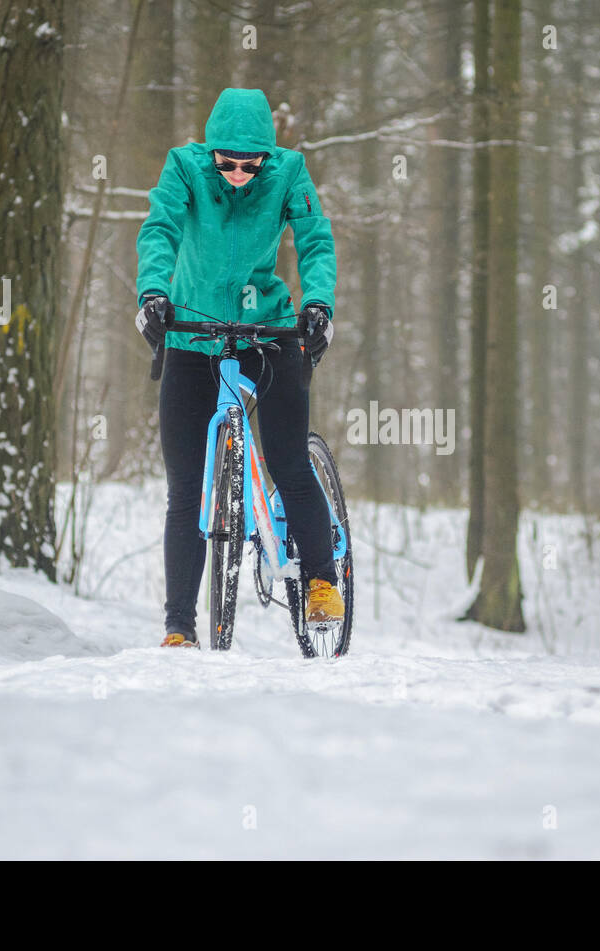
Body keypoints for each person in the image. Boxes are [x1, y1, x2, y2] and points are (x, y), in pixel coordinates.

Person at [135, 87, 343, 648]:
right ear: (211, 153)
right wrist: (153, 293)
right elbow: (160, 229)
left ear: (266, 157)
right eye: (225, 162)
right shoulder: (184, 168)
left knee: (288, 460)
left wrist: (317, 304)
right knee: (186, 491)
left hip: (267, 333)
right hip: (192, 335)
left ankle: (323, 580)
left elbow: (315, 242)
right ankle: (179, 625)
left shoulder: (289, 173)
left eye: (249, 164)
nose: (236, 173)